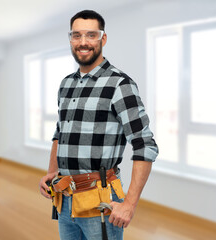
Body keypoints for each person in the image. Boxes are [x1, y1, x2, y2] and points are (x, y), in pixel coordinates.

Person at [39, 10, 158, 240]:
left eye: (91, 35)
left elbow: (145, 145)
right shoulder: (66, 84)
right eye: (76, 35)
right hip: (64, 200)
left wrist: (130, 204)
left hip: (101, 202)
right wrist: (52, 171)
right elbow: (60, 132)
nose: (83, 42)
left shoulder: (119, 84)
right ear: (70, 39)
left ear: (103, 39)